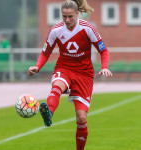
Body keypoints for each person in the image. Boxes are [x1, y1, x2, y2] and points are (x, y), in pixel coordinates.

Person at [28, 0, 112, 149]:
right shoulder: (56, 30)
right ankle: (49, 114)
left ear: (77, 14)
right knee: (57, 86)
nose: (67, 20)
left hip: (84, 73)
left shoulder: (88, 28)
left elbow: (103, 50)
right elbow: (45, 52)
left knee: (81, 118)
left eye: (70, 17)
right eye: (64, 16)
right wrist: (38, 66)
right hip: (64, 67)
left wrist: (104, 67)